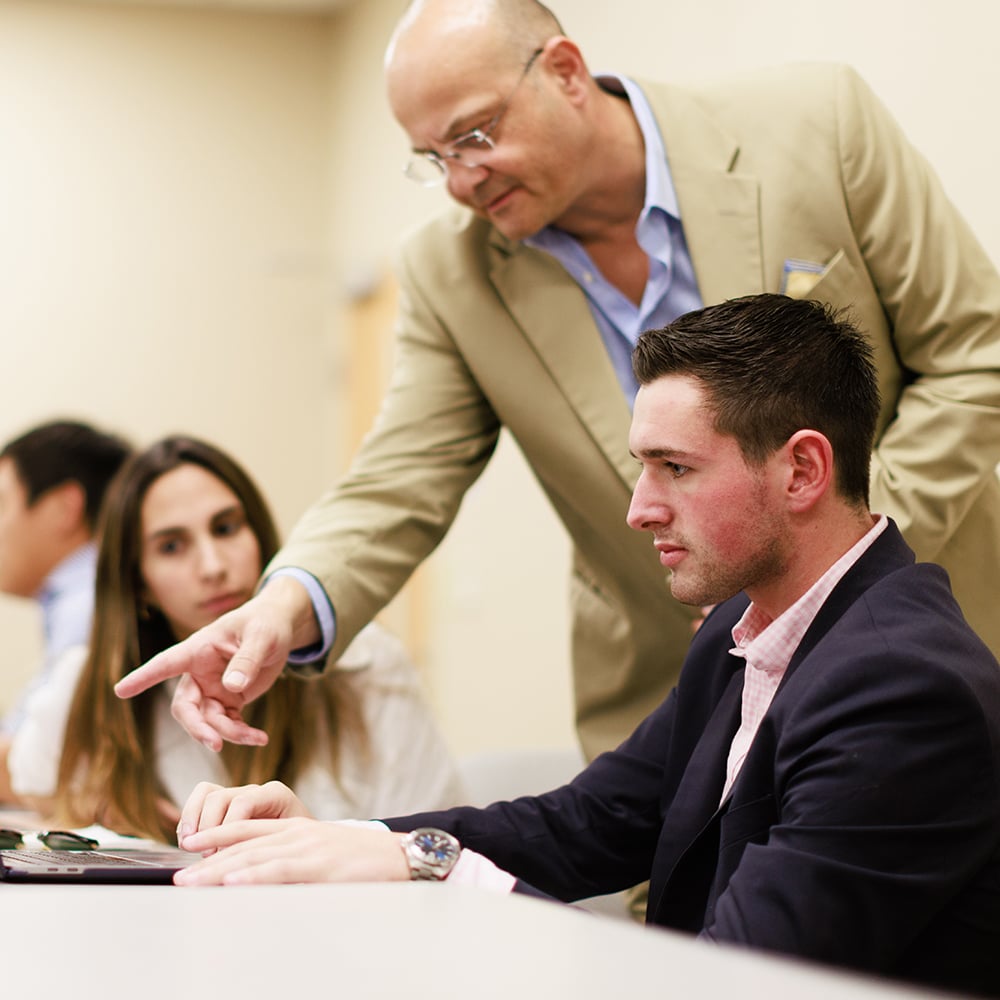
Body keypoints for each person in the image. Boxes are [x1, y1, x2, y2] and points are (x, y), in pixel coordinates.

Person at [116, 0, 1000, 770]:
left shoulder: (817, 124)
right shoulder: (451, 274)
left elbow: (974, 353)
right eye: (433, 157)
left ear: (567, 71)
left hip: (924, 643)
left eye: (474, 134)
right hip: (675, 699)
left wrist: (824, 575)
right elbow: (399, 478)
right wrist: (278, 606)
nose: (462, 180)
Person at [169, 296, 1000, 998]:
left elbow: (731, 981)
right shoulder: (738, 633)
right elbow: (587, 823)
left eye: (674, 467)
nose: (640, 509)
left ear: (803, 470)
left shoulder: (902, 689)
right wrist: (356, 841)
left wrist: (431, 867)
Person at [8, 436, 464, 842]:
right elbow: (25, 776)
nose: (212, 567)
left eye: (226, 529)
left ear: (262, 539)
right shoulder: (94, 680)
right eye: (171, 546)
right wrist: (92, 803)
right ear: (138, 582)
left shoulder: (364, 663)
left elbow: (435, 842)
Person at [0, 419, 130, 802]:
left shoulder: (92, 603)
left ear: (64, 508)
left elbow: (40, 768)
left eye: (1, 503)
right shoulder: (73, 601)